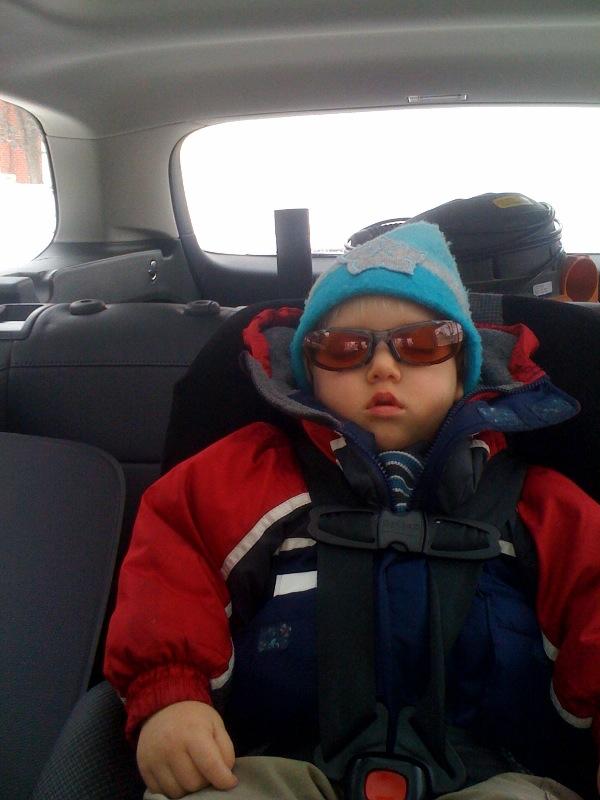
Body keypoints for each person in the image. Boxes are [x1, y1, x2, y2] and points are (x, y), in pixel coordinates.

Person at [104, 222, 600, 800]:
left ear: (460, 372)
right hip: (277, 758)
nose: (383, 367)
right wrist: (171, 692)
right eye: (345, 349)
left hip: (491, 772)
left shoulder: (539, 504)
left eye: (421, 345)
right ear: (310, 372)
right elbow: (172, 569)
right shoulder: (249, 475)